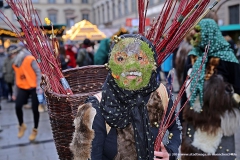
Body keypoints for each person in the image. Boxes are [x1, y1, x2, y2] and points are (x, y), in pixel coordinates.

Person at [70, 34, 182, 160]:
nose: (131, 66)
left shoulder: (160, 93)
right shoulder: (95, 109)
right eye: (122, 59)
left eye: (140, 58)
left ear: (152, 64)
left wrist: (170, 152)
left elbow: (175, 128)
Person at [181, 19, 240, 160]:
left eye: (198, 34)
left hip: (219, 121)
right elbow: (184, 91)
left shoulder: (228, 57)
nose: (194, 38)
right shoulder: (192, 57)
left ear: (209, 33)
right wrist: (180, 118)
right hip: (195, 118)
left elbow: (238, 87)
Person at [11, 43, 42, 141]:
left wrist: (38, 87)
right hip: (23, 87)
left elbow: (38, 73)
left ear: (16, 53)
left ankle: (35, 129)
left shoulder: (29, 59)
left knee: (34, 109)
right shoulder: (15, 63)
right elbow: (17, 79)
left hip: (34, 87)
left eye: (12, 54)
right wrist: (15, 93)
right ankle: (21, 125)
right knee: (17, 106)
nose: (11, 56)